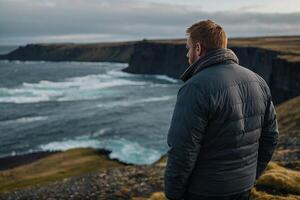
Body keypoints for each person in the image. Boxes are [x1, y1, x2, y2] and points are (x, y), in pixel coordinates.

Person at [164, 19, 279, 200]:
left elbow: (183, 150)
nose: (187, 54)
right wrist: (251, 175)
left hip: (205, 192)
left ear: (199, 49)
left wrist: (173, 194)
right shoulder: (258, 80)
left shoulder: (195, 87)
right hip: (243, 187)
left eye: (188, 48)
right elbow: (271, 137)